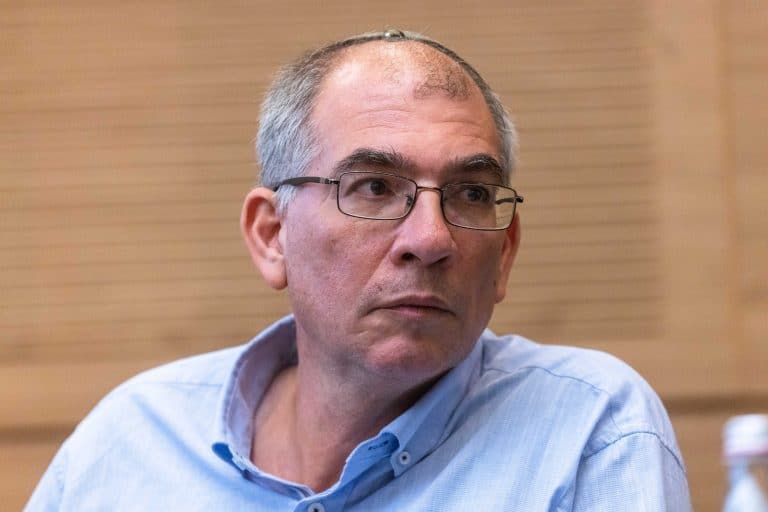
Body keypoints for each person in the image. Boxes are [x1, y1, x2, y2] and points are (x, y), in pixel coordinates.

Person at [26, 30, 692, 511]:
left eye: (470, 194)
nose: (430, 239)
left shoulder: (589, 430)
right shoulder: (130, 441)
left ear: (505, 253)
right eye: (373, 187)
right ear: (272, 235)